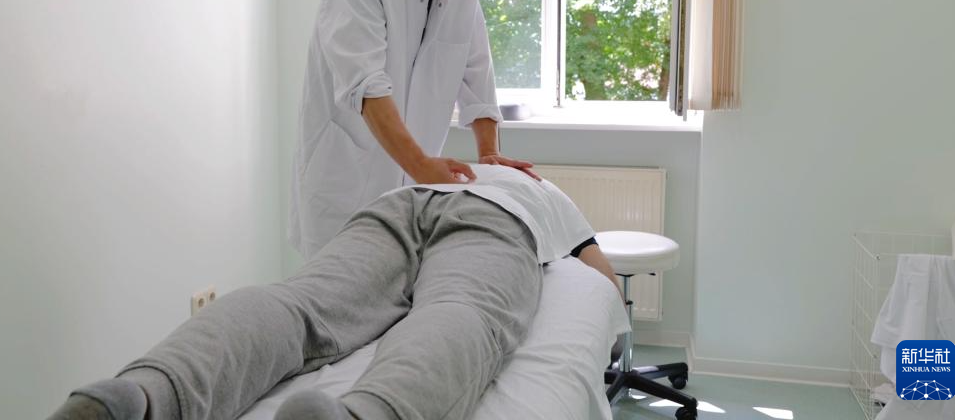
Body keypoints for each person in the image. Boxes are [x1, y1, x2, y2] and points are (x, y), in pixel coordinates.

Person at [47, 165, 619, 420]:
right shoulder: (546, 193)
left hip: (398, 204)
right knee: (460, 311)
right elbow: (602, 280)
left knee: (301, 303)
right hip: (498, 223)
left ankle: (144, 395)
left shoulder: (447, 165)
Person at [291, 0, 538, 259]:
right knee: (338, 287)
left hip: (413, 183)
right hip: (346, 181)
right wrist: (421, 164)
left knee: (401, 283)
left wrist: (488, 152)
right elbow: (365, 85)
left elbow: (476, 69)